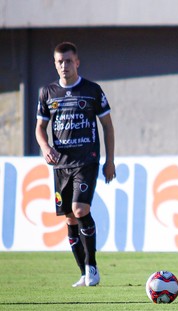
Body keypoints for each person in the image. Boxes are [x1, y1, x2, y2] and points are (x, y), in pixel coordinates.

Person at [35, 41, 116, 287]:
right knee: (70, 218)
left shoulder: (92, 90)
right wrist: (46, 147)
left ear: (77, 62)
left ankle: (92, 267)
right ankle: (84, 272)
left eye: (68, 61)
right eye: (60, 61)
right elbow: (40, 127)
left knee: (81, 210)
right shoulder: (47, 93)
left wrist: (110, 161)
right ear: (55, 64)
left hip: (86, 161)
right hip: (61, 165)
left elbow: (107, 126)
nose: (64, 66)